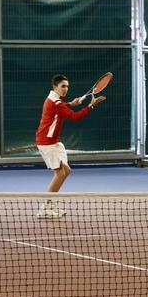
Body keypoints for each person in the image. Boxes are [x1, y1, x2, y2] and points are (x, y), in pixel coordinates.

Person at [35, 74, 105, 218]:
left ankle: (50, 203)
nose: (66, 89)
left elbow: (59, 107)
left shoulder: (52, 98)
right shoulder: (56, 103)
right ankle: (44, 208)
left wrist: (71, 104)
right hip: (46, 143)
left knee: (66, 171)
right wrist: (91, 105)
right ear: (55, 87)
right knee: (60, 174)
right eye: (63, 86)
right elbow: (75, 117)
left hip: (53, 142)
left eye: (67, 86)